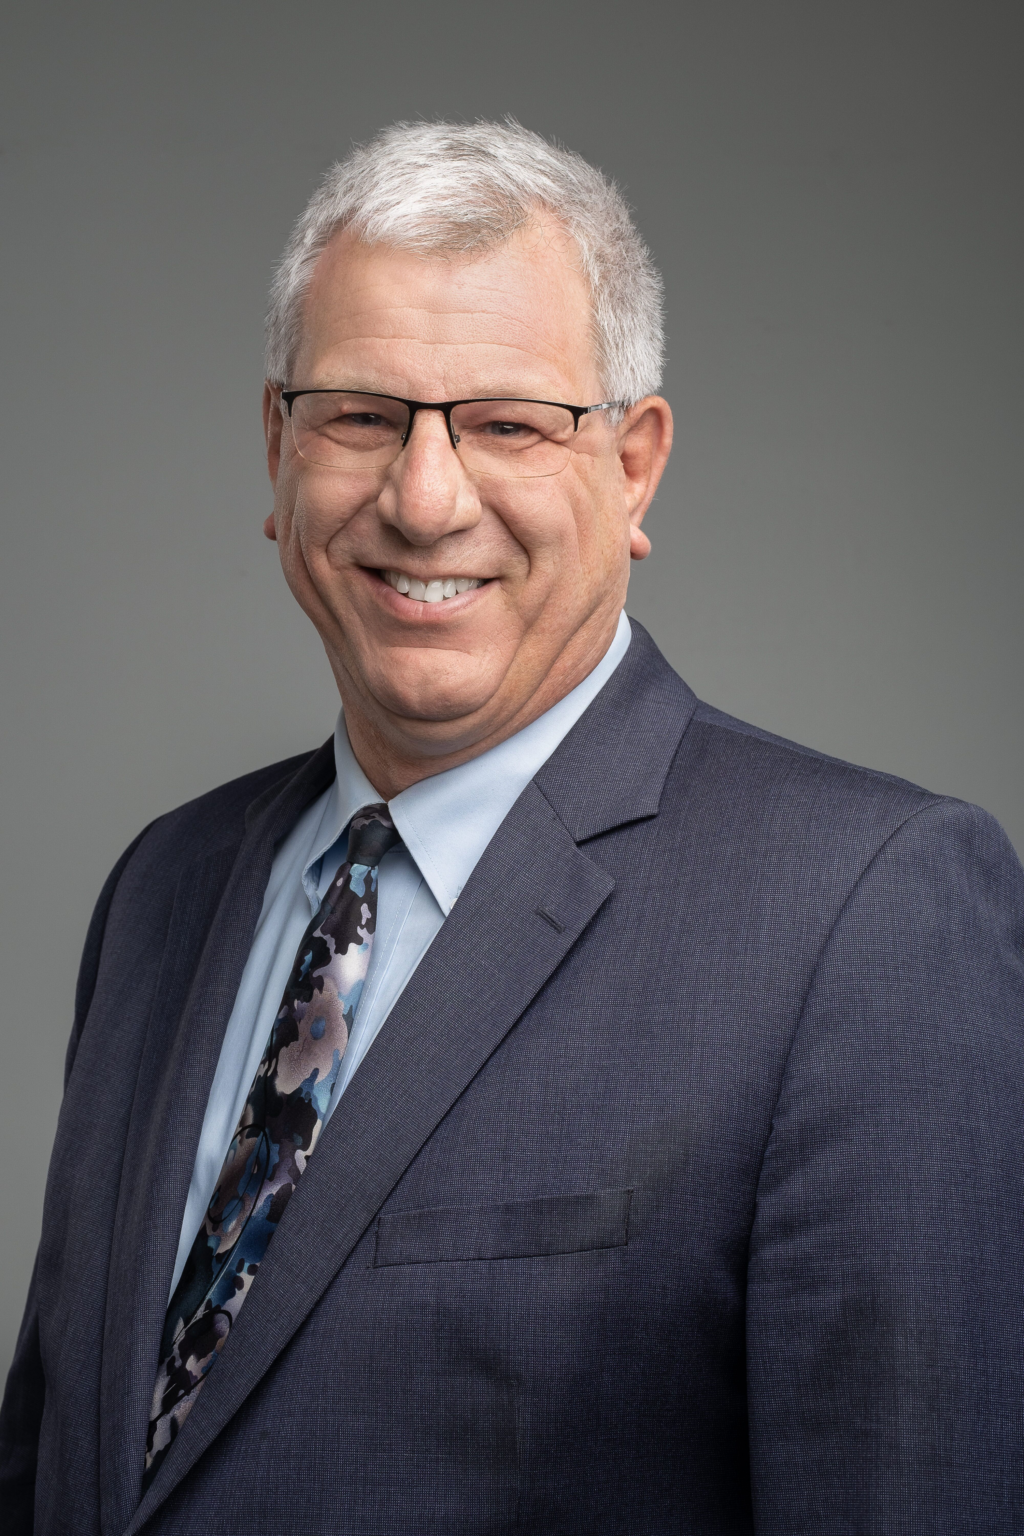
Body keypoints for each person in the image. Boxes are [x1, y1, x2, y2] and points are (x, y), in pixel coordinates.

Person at [2, 119, 1022, 1536]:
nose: (425, 500)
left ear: (634, 468)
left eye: (508, 425)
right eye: (362, 416)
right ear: (279, 447)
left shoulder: (865, 916)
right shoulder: (165, 887)